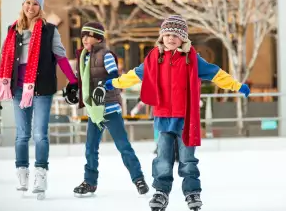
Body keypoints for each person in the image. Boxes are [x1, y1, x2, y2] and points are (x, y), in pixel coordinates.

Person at [105, 15, 250, 211]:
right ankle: (161, 192)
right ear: (161, 37)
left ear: (183, 38)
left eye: (175, 34)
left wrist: (237, 86)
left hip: (186, 119)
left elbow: (217, 74)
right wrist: (115, 83)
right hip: (164, 117)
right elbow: (134, 75)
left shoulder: (192, 59)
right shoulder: (154, 59)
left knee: (187, 159)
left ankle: (192, 192)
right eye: (167, 34)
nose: (171, 38)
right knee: (163, 159)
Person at [0, 0, 78, 197]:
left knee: (40, 134)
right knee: (22, 135)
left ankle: (41, 173)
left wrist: (73, 81)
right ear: (23, 5)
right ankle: (22, 172)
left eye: (35, 4)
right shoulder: (13, 30)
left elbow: (61, 57)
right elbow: (5, 62)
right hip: (19, 89)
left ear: (41, 7)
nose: (31, 7)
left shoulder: (49, 30)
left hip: (42, 88)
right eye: (28, 3)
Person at [69, 21, 149, 197]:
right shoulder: (84, 57)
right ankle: (90, 182)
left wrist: (104, 87)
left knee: (123, 146)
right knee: (90, 148)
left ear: (98, 38)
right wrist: (73, 89)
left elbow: (114, 76)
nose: (84, 39)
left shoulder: (106, 55)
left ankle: (139, 179)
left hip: (110, 108)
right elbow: (82, 80)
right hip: (94, 110)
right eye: (82, 35)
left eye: (88, 35)